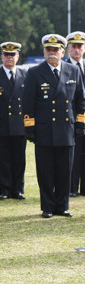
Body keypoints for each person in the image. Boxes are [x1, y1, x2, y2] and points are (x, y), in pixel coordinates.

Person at [23, 34, 85, 218]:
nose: (52, 53)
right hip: (44, 130)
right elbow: (28, 103)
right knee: (46, 171)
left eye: (55, 50)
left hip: (67, 130)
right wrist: (30, 127)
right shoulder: (34, 72)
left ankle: (63, 206)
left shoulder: (72, 71)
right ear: (44, 52)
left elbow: (81, 100)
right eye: (48, 50)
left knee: (65, 171)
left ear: (62, 52)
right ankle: (48, 207)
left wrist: (81, 122)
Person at [0, 42, 27, 200]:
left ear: (18, 57)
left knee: (19, 159)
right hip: (2, 125)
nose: (9, 57)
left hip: (20, 125)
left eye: (12, 54)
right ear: (1, 56)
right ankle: (5, 190)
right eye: (6, 54)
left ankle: (18, 189)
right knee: (4, 159)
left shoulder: (24, 75)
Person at [66, 31, 85, 198]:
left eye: (80, 46)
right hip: (72, 119)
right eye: (74, 46)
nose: (77, 50)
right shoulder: (64, 68)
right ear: (68, 49)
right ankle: (72, 188)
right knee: (74, 154)